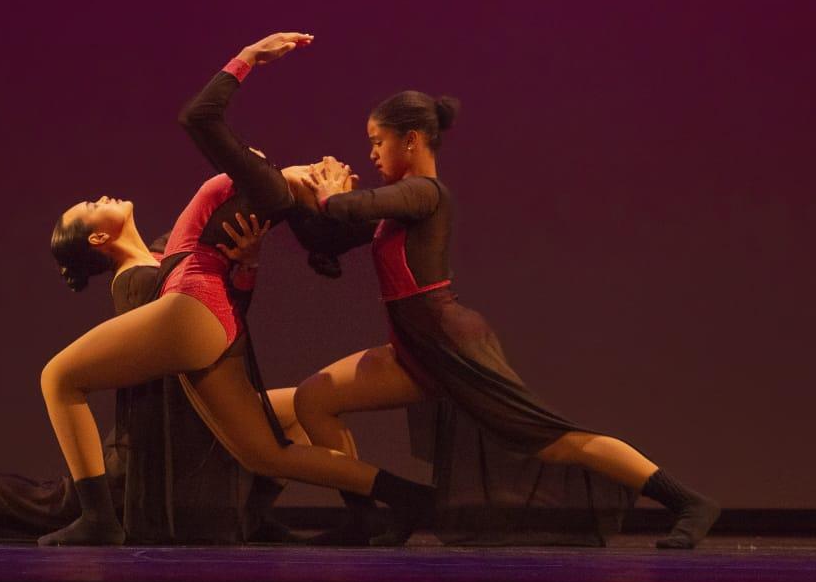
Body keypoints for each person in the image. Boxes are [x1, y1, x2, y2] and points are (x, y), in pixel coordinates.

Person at [38, 32, 436, 546]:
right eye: (331, 168)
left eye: (330, 176)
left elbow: (198, 118)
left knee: (58, 378)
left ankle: (97, 520)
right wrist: (248, 264)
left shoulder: (263, 183)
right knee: (263, 453)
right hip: (210, 312)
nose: (327, 165)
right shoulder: (268, 198)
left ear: (320, 199)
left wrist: (248, 58)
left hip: (193, 301)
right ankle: (412, 499)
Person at [294, 91, 721, 549]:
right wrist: (292, 191)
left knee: (556, 441)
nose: (372, 153)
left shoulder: (424, 193)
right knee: (314, 399)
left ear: (412, 140)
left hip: (449, 345)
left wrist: (330, 192)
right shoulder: (398, 208)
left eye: (378, 141)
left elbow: (344, 208)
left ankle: (688, 502)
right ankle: (364, 517)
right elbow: (328, 233)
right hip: (414, 349)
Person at [0, 216, 305, 543]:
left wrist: (247, 263)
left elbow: (223, 325)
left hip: (192, 415)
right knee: (51, 504)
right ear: (98, 239)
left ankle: (250, 515)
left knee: (299, 410)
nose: (102, 197)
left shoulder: (161, 259)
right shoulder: (136, 278)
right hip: (163, 438)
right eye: (91, 207)